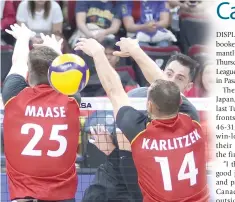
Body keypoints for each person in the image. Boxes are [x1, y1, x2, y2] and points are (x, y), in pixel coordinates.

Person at [75, 38, 209, 201]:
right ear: (179, 101)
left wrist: (97, 53)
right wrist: (135, 51)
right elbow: (163, 84)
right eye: (169, 74)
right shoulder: (192, 119)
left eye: (179, 78)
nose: (172, 80)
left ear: (149, 106)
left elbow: (114, 90)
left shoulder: (139, 132)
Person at [2, 24, 80, 202]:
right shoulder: (71, 99)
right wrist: (54, 49)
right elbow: (66, 73)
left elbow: (19, 62)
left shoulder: (13, 95)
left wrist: (23, 37)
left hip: (24, 196)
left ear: (28, 76)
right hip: (62, 196)